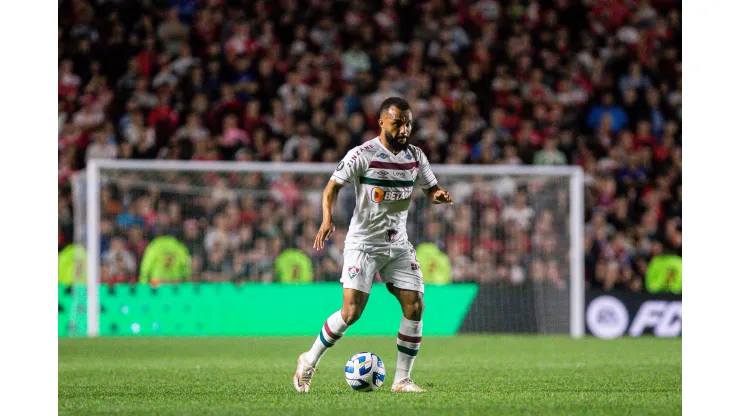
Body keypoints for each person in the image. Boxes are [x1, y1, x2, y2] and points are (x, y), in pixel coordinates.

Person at [293, 97, 454, 393]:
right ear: (381, 122)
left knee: (415, 304)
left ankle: (402, 379)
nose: (404, 129)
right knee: (351, 313)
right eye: (398, 123)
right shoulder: (363, 154)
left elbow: (430, 189)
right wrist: (327, 219)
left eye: (408, 123)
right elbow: (331, 188)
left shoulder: (416, 156)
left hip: (398, 245)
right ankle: (309, 359)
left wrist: (438, 195)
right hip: (363, 244)